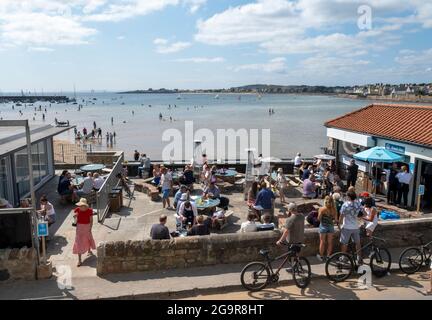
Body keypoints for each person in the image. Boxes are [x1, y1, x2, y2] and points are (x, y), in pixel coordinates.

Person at [338, 190, 362, 263]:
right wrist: (358, 218)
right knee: (358, 243)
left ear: (348, 197)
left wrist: (339, 225)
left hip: (347, 227)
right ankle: (359, 258)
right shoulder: (358, 203)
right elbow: (363, 213)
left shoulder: (345, 205)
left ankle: (343, 258)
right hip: (355, 226)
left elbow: (341, 216)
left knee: (344, 243)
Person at [73, 198, 96, 267]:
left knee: (88, 238)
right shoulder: (77, 209)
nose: (80, 207)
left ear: (85, 205)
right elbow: (76, 215)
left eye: (82, 205)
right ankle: (79, 260)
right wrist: (75, 216)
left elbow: (91, 220)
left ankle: (89, 250)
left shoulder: (89, 211)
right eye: (80, 205)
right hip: (79, 227)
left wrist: (90, 228)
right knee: (78, 242)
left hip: (87, 227)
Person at [317, 196, 337, 262]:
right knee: (330, 242)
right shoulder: (334, 209)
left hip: (323, 226)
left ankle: (321, 256)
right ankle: (328, 256)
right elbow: (336, 220)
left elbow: (319, 219)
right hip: (331, 227)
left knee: (322, 242)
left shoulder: (322, 209)